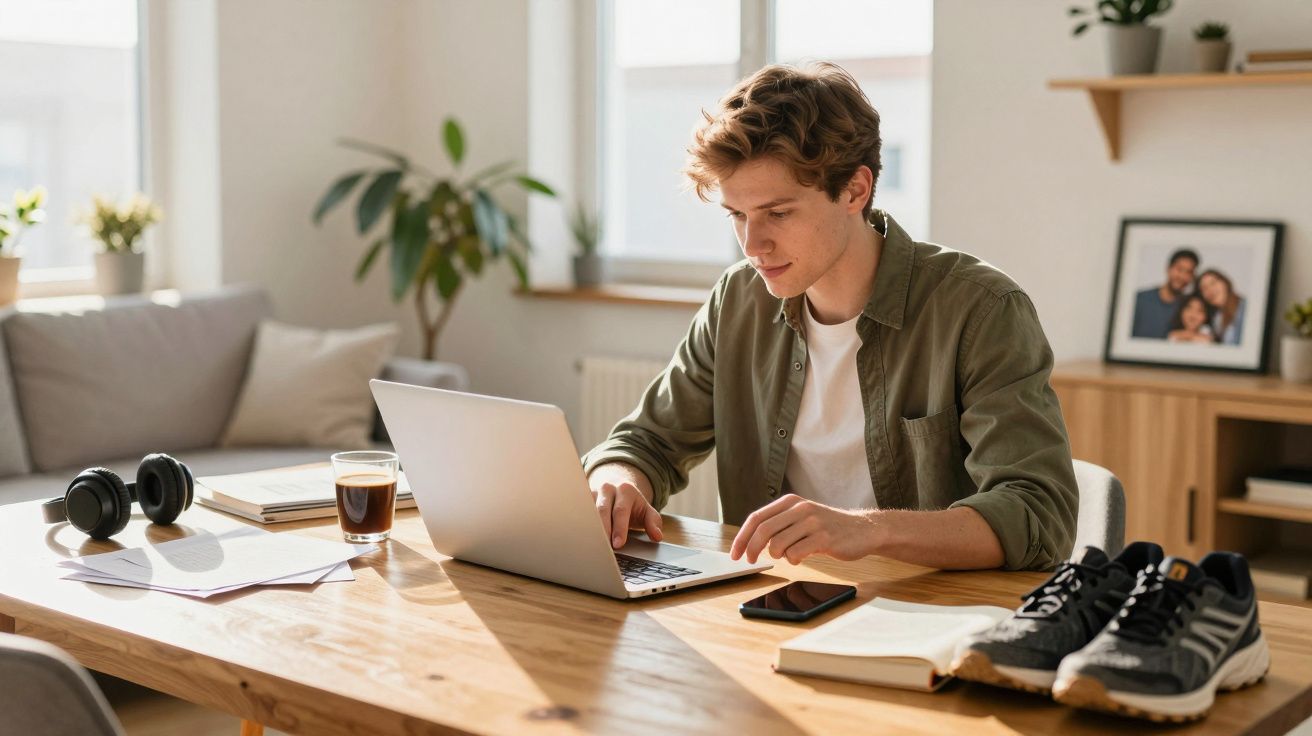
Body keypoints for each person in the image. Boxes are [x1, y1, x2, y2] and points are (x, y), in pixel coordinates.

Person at [581, 63, 1076, 572]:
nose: (753, 245)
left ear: (855, 191)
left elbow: (1037, 514)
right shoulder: (738, 300)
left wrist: (866, 529)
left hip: (930, 614)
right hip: (776, 601)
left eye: (778, 213)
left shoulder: (980, 310)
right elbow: (646, 443)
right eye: (737, 216)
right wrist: (618, 479)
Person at [1131, 248, 1199, 339]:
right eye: (1179, 269)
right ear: (1168, 269)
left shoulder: (1189, 307)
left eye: (1189, 272)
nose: (1182, 276)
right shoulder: (1140, 299)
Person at [1197, 269, 1246, 346]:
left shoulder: (1244, 308)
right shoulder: (1217, 318)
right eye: (1204, 288)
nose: (1210, 290)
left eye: (1213, 283)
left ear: (1225, 283)